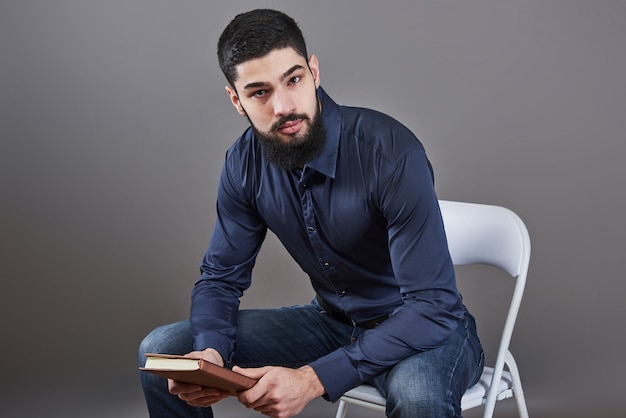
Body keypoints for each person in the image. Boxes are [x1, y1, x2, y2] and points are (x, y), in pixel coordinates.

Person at [139, 8, 484, 418]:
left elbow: (433, 306)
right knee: (162, 351)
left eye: (293, 80)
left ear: (314, 71)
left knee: (418, 399)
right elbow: (220, 277)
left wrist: (313, 378)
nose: (284, 105)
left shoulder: (390, 152)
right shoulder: (243, 163)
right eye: (259, 92)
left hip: (425, 329)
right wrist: (212, 350)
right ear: (237, 100)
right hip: (331, 323)